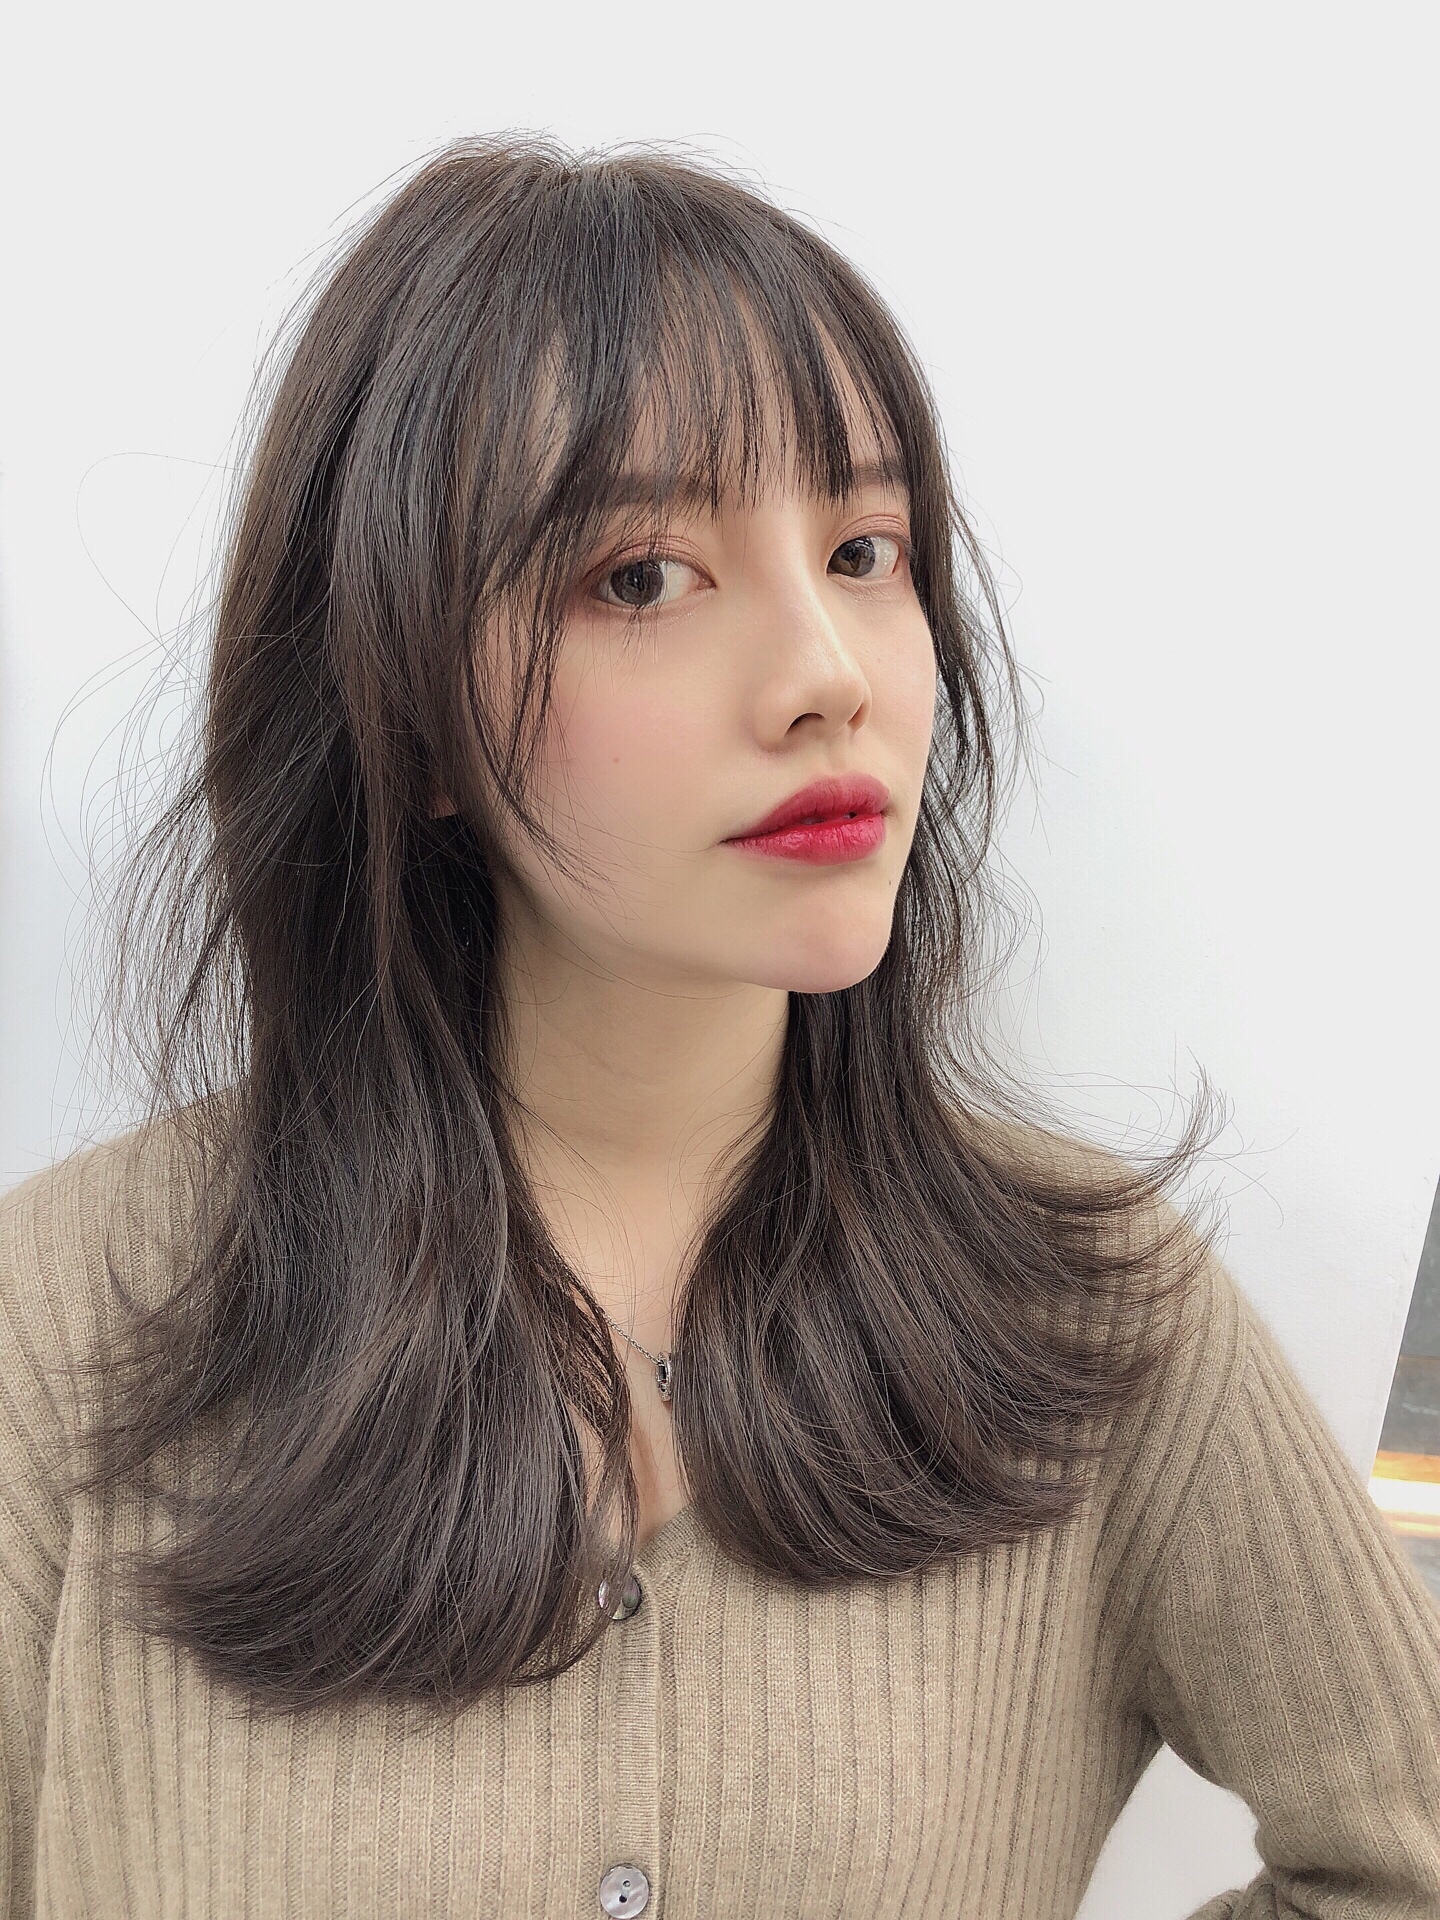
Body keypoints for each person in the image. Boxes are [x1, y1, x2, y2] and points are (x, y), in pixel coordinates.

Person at [1, 133, 1436, 1920]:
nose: (828, 670)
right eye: (639, 577)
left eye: (864, 548)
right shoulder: (65, 1322)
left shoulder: (1092, 1319)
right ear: (410, 711)